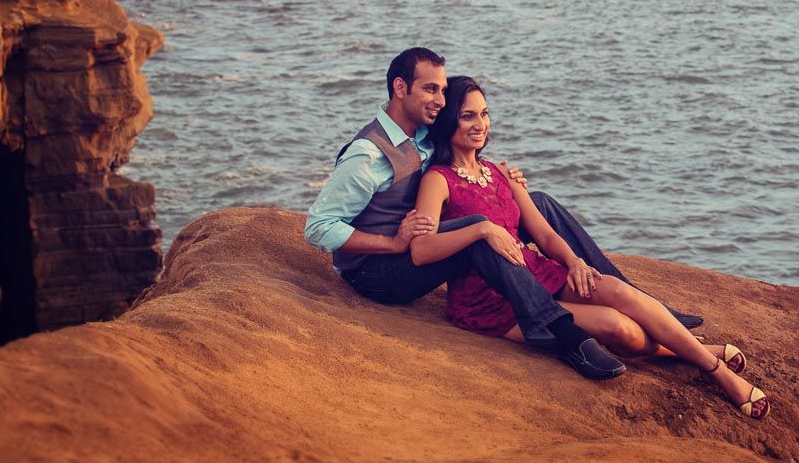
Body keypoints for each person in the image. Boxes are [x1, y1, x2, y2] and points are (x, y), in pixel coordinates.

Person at [306, 48, 698, 379]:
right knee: (480, 230)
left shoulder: (423, 132)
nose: (439, 100)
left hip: (420, 238)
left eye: (442, 90)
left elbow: (456, 149)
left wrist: (502, 182)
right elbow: (318, 228)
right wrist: (392, 242)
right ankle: (564, 335)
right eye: (430, 89)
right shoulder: (367, 155)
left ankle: (637, 298)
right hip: (378, 272)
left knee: (536, 201)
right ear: (399, 87)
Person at [409, 75, 770, 419]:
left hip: (537, 272)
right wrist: (480, 230)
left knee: (616, 290)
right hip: (492, 300)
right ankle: (700, 356)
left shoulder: (499, 173)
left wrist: (575, 262)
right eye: (468, 116)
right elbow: (421, 251)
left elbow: (546, 235)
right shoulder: (438, 180)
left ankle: (715, 371)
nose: (480, 124)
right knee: (617, 327)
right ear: (448, 124)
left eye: (485, 114)